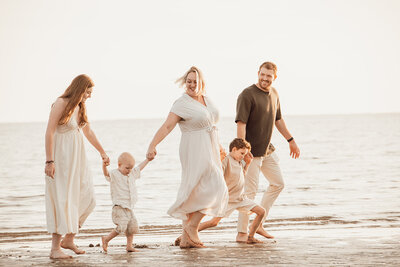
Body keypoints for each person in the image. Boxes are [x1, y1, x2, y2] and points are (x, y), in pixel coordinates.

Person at [146, 66, 229, 248]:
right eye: (189, 81)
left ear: (201, 82)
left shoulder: (206, 99)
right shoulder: (181, 103)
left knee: (194, 191)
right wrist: (153, 145)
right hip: (194, 148)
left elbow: (211, 124)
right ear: (185, 83)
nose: (192, 85)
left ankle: (185, 240)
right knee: (217, 185)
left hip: (210, 148)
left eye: (195, 81)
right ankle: (192, 227)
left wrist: (219, 146)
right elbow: (167, 126)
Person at [44, 74, 110, 259]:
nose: (89, 96)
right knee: (61, 200)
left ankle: (69, 238)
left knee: (87, 197)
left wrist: (102, 152)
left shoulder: (80, 106)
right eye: (87, 92)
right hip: (61, 159)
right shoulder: (61, 103)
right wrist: (49, 161)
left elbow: (87, 131)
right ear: (79, 89)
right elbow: (49, 132)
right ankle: (55, 249)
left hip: (77, 160)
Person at [235, 62, 300, 242]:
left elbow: (278, 120)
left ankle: (258, 223)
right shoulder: (247, 94)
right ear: (258, 73)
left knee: (278, 183)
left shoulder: (275, 94)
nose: (264, 78)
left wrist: (291, 140)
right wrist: (243, 151)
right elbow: (241, 124)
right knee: (249, 192)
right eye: (262, 74)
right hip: (251, 152)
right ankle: (242, 234)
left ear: (274, 77)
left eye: (268, 76)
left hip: (267, 150)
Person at [183, 138, 266, 244]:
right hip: (228, 199)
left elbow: (242, 177)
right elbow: (218, 174)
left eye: (244, 154)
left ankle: (251, 236)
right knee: (213, 222)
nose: (243, 156)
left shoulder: (239, 162)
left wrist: (248, 164)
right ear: (234, 149)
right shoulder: (226, 160)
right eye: (242, 153)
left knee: (261, 211)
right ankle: (185, 235)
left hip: (241, 198)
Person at [101, 152, 152, 253]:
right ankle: (106, 239)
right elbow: (106, 174)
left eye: (131, 168)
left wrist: (148, 160)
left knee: (131, 227)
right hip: (119, 206)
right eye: (127, 168)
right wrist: (104, 165)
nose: (129, 171)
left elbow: (139, 167)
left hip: (129, 207)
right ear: (119, 165)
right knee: (122, 226)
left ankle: (129, 246)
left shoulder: (132, 173)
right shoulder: (114, 174)